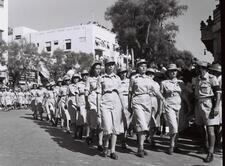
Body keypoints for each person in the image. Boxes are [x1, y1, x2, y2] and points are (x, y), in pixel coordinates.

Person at [129, 59, 165, 158]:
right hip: (137, 101)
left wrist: (163, 99)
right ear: (137, 67)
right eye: (141, 66)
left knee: (145, 127)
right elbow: (130, 92)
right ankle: (140, 148)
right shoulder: (133, 78)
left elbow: (156, 91)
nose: (143, 67)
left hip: (147, 101)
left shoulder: (150, 79)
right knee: (142, 124)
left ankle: (141, 147)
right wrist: (129, 105)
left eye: (145, 66)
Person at [193, 61, 221, 163]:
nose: (198, 69)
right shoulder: (196, 79)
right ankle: (204, 145)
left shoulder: (212, 78)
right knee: (199, 127)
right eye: (197, 67)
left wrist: (217, 107)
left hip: (208, 104)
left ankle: (211, 152)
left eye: (200, 68)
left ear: (204, 68)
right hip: (198, 104)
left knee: (210, 129)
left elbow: (218, 93)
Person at [97, 57, 124, 160]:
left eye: (112, 64)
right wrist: (99, 108)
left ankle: (112, 150)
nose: (111, 66)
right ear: (105, 66)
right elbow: (99, 94)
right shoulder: (101, 78)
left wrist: (123, 107)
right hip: (105, 102)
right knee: (107, 129)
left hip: (116, 102)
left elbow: (120, 93)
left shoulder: (117, 78)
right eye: (109, 64)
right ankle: (105, 147)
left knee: (115, 129)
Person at [161, 64, 190, 155]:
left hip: (179, 106)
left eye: (175, 70)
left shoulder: (181, 83)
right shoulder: (164, 83)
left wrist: (189, 105)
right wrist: (162, 107)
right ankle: (171, 146)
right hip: (169, 105)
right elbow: (161, 96)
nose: (173, 72)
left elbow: (184, 95)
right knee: (173, 126)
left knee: (178, 127)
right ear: (168, 73)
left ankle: (175, 145)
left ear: (177, 72)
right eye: (171, 71)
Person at [85, 61, 103, 151]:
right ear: (93, 69)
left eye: (100, 68)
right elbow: (86, 91)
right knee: (94, 124)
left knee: (100, 123)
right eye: (96, 68)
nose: (98, 70)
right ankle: (90, 136)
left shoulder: (103, 78)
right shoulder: (89, 79)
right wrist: (87, 103)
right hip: (92, 102)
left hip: (102, 101)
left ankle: (100, 142)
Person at [208, 63, 222, 154]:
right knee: (214, 124)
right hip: (212, 102)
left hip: (219, 102)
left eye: (217, 72)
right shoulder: (211, 78)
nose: (215, 73)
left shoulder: (220, 79)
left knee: (219, 124)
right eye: (214, 71)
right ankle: (214, 143)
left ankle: (218, 143)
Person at [145, 68, 161, 147]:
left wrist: (160, 106)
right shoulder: (144, 82)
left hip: (154, 100)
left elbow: (158, 95)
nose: (150, 75)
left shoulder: (156, 84)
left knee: (154, 121)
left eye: (152, 74)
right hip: (146, 100)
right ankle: (150, 137)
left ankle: (149, 136)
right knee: (149, 120)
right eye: (148, 74)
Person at [117, 67, 132, 149]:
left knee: (127, 123)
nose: (123, 74)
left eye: (124, 72)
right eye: (121, 72)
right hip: (119, 101)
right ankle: (122, 140)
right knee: (120, 122)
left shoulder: (130, 81)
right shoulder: (117, 81)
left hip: (128, 101)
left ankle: (124, 139)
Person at [76, 70, 89, 139]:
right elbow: (76, 94)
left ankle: (87, 135)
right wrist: (77, 103)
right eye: (84, 75)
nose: (85, 76)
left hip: (89, 102)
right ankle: (80, 132)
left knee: (88, 119)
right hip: (81, 102)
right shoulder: (79, 84)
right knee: (82, 118)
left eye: (86, 74)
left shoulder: (90, 82)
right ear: (81, 76)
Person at [67, 74, 80, 138]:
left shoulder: (82, 84)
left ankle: (79, 132)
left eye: (77, 78)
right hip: (72, 102)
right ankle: (74, 133)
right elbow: (67, 95)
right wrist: (66, 103)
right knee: (73, 119)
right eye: (74, 78)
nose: (75, 79)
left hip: (80, 101)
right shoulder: (70, 86)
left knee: (80, 119)